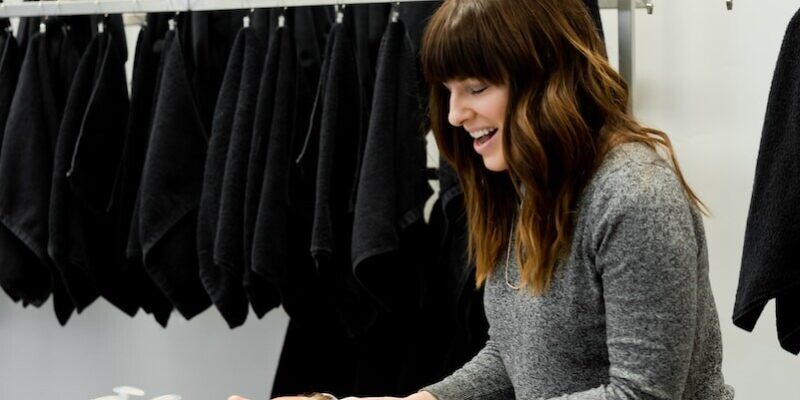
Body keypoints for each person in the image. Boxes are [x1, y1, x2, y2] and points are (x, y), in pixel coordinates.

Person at [230, 0, 734, 399]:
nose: (453, 114)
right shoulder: (524, 187)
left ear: (546, 77)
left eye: (476, 87)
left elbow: (642, 394)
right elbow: (510, 355)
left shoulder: (634, 196)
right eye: (448, 90)